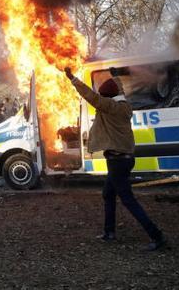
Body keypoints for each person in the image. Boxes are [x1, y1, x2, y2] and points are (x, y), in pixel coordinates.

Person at [65, 67, 166, 251]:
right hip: (123, 158)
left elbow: (91, 96)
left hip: (118, 161)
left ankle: (156, 235)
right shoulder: (123, 104)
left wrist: (73, 79)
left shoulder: (111, 108)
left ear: (108, 98)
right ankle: (109, 232)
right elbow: (118, 88)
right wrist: (114, 75)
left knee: (128, 200)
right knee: (108, 194)